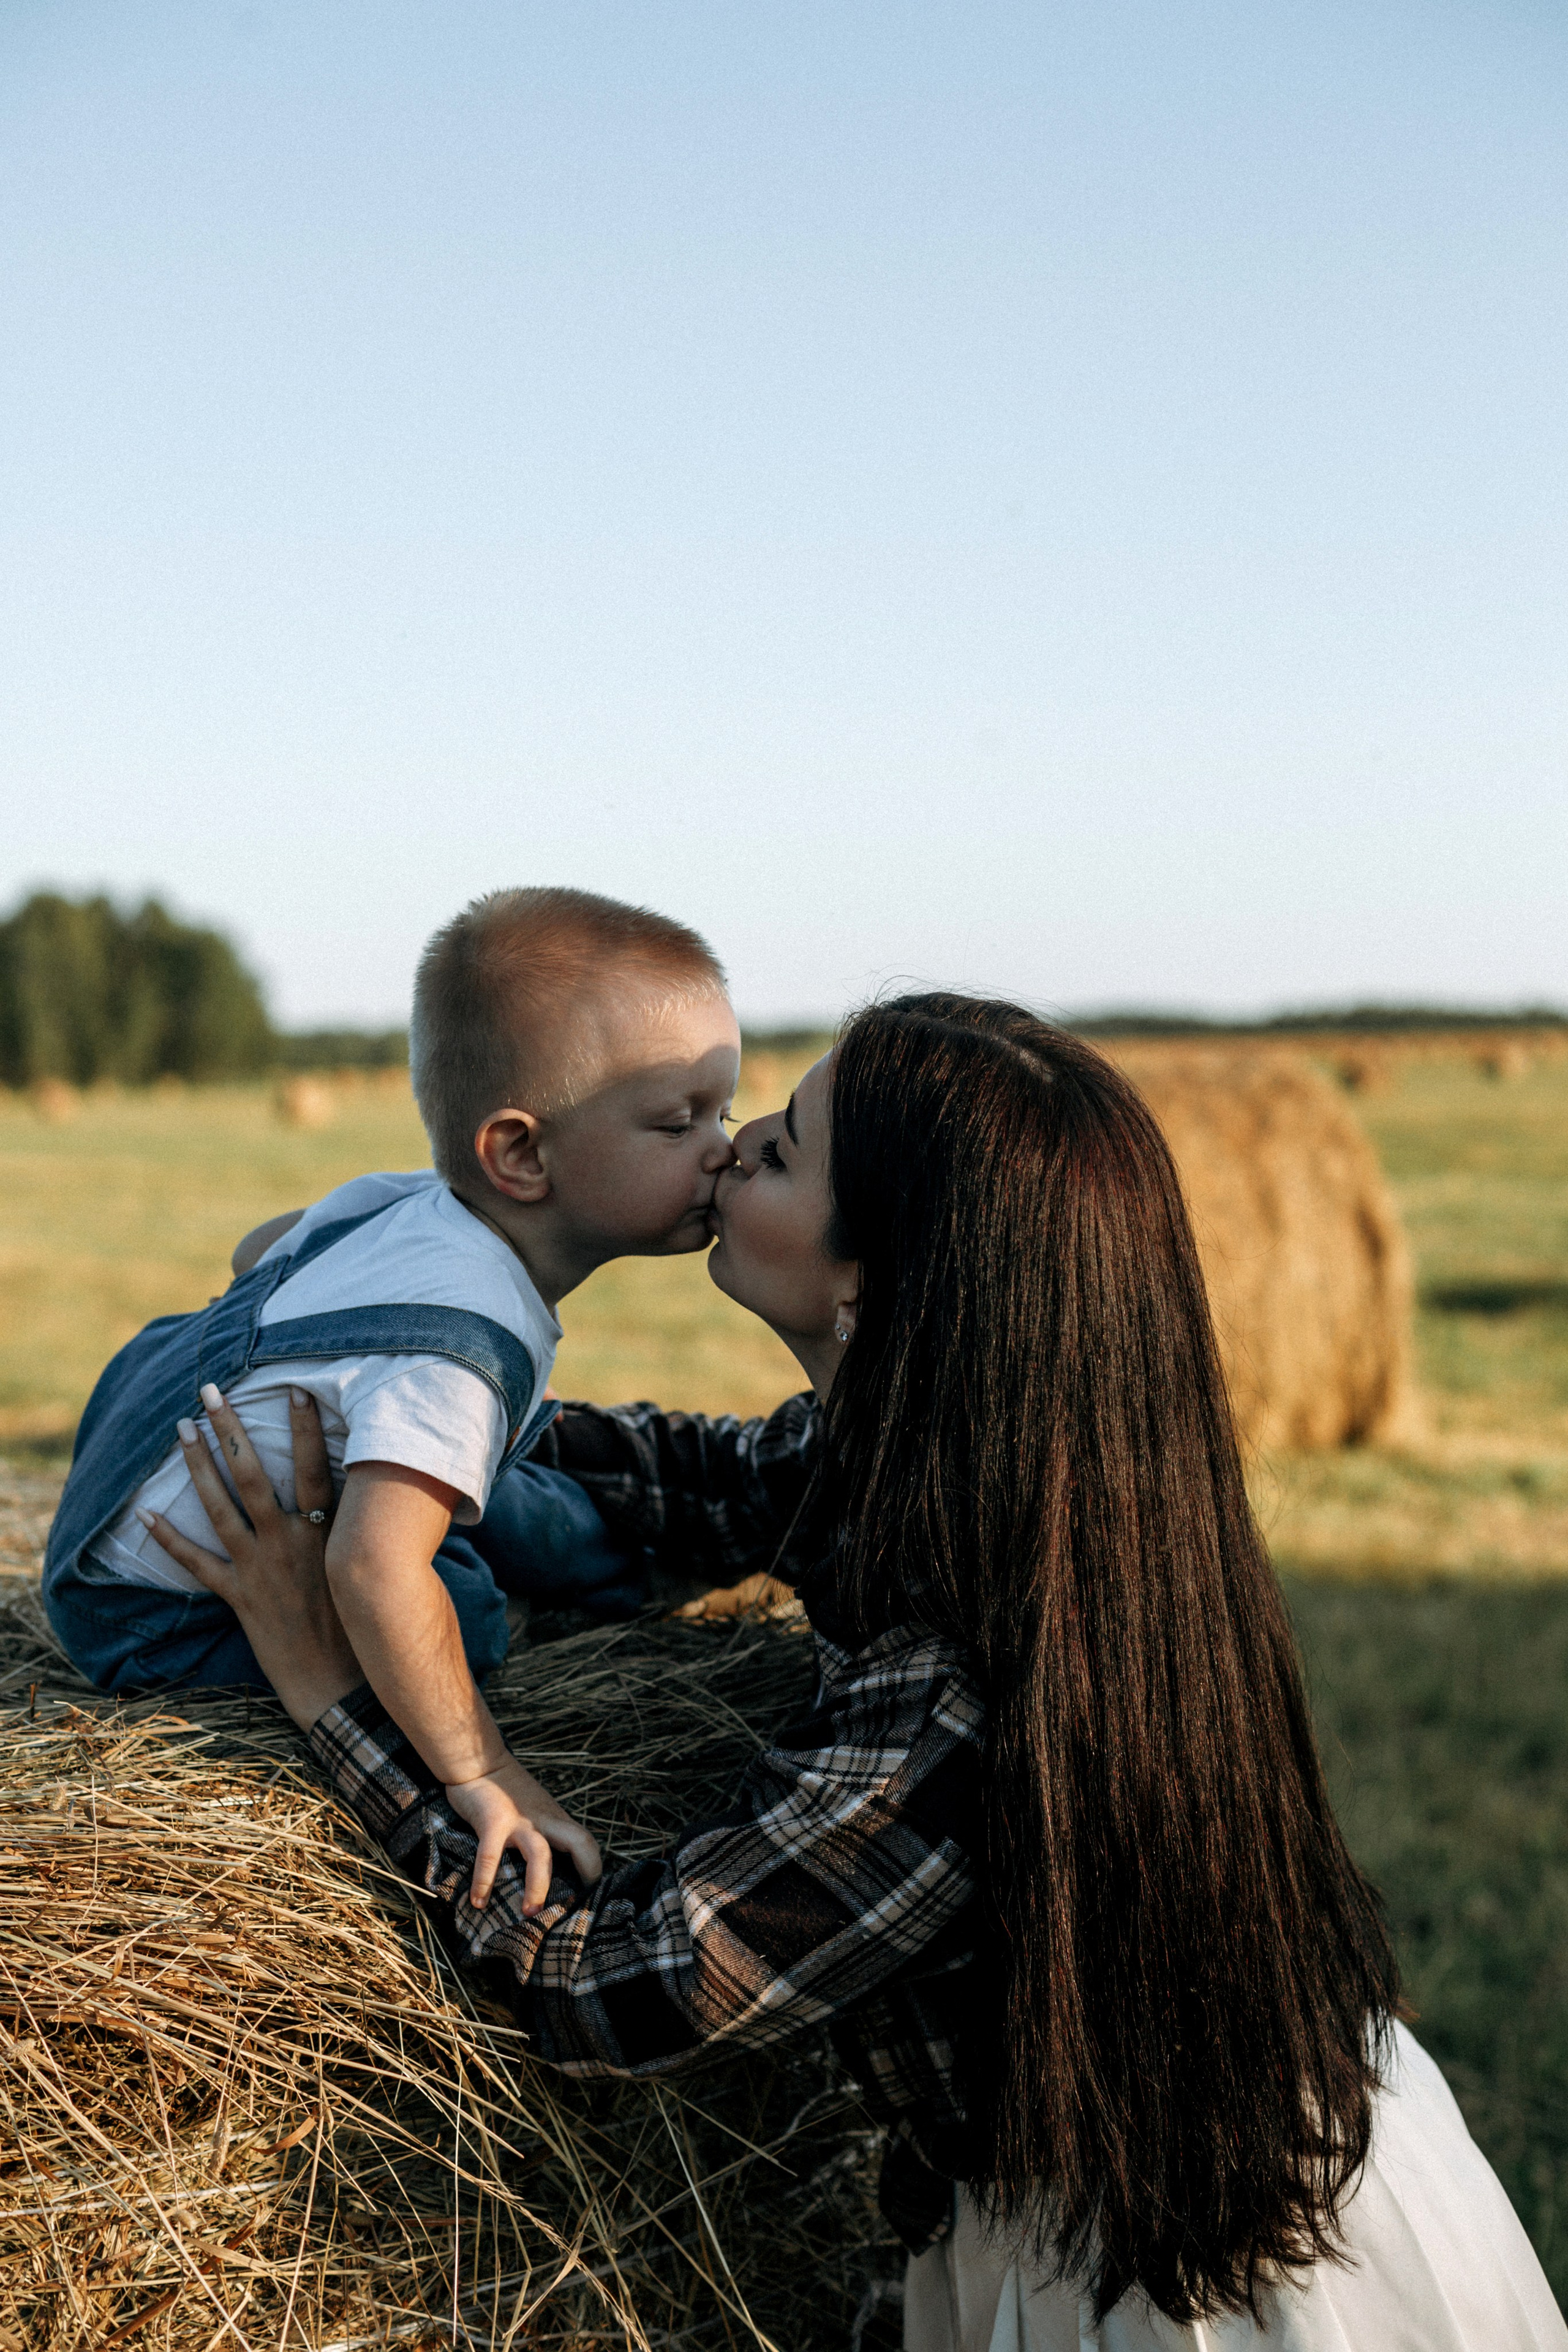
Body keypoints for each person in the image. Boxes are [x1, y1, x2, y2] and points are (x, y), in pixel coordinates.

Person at [141, 995, 1567, 2349]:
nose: (735, 1142)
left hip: (1183, 2283)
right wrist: (395, 1407)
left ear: (875, 1284)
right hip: (1229, 2152)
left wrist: (327, 1682)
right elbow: (672, 1486)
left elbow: (608, 1985)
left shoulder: (956, 1693)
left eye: (786, 1144)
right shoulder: (975, 1465)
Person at [45, 884, 740, 1898]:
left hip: (134, 1427)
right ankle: (621, 1573)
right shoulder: (456, 1351)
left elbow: (257, 1254)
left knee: (492, 1483)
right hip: (145, 1609)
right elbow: (374, 1572)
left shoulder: (403, 1201)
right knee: (461, 1609)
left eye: (721, 1108)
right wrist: (484, 1768)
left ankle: (627, 1561)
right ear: (521, 1153)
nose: (723, 1146)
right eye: (680, 1123)